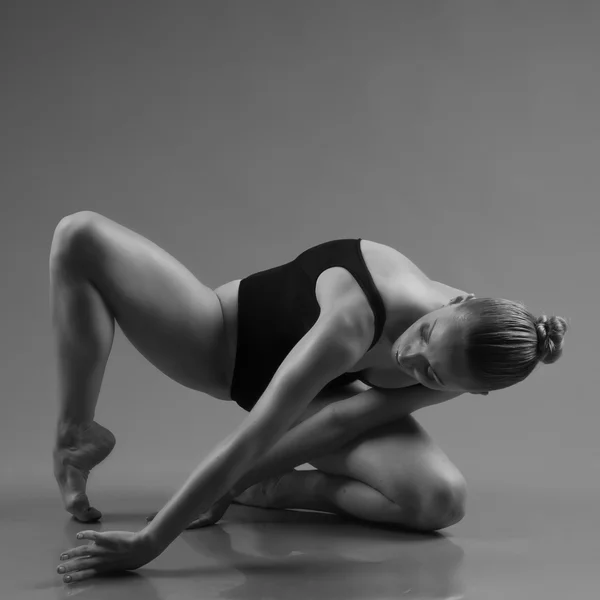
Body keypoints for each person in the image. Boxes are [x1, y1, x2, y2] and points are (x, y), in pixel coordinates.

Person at [51, 211, 567, 584]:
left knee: (439, 500)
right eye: (426, 335)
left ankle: (272, 491)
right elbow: (262, 428)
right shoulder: (358, 315)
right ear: (459, 300)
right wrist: (153, 540)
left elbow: (344, 419)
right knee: (79, 235)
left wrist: (236, 486)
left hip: (319, 394)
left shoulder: (460, 362)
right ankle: (77, 432)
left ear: (471, 390)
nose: (413, 359)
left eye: (431, 375)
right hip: (222, 347)